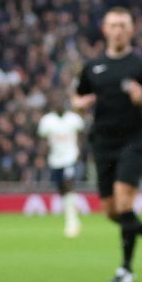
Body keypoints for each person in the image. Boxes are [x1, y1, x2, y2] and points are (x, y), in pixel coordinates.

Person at [73, 7, 142, 282]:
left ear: (131, 30)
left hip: (133, 141)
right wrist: (80, 104)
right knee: (112, 211)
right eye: (113, 25)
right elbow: (77, 98)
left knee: (124, 201)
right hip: (102, 143)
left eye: (123, 25)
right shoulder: (92, 67)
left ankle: (126, 269)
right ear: (105, 30)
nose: (118, 30)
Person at [36, 93, 86, 238]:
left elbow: (81, 135)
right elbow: (43, 140)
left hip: (70, 158)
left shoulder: (73, 119)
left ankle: (72, 223)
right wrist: (40, 156)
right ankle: (72, 219)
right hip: (55, 160)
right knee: (62, 189)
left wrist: (79, 152)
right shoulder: (47, 121)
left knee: (68, 184)